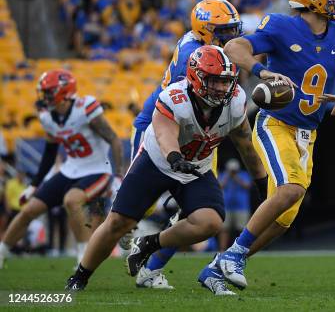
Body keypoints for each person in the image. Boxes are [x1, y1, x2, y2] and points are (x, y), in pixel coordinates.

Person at [216, 0, 335, 290]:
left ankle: (215, 266)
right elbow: (234, 47)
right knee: (290, 190)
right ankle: (233, 254)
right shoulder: (282, 27)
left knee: (284, 219)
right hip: (276, 124)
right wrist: (262, 71)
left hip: (308, 133)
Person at [65, 45, 267, 296]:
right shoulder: (174, 97)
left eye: (225, 81)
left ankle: (148, 243)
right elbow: (164, 134)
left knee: (210, 222)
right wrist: (174, 157)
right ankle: (80, 275)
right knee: (118, 222)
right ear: (195, 76)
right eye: (213, 81)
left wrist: (263, 182)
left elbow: (246, 145)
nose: (220, 88)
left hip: (196, 168)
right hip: (157, 161)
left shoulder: (235, 102)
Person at [126, 0, 264, 290]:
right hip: (161, 126)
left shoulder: (207, 50)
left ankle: (150, 269)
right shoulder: (196, 57)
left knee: (193, 212)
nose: (231, 38)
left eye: (232, 30)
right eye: (223, 31)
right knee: (132, 209)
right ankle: (99, 246)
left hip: (196, 137)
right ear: (205, 30)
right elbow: (187, 111)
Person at [0, 70, 123, 269]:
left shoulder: (85, 108)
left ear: (64, 92)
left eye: (48, 92)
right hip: (70, 169)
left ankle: (83, 257)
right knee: (29, 210)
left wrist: (118, 176)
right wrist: (33, 185)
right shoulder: (48, 117)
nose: (44, 97)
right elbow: (50, 153)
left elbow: (115, 139)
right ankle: (1, 252)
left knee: (71, 200)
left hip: (99, 168)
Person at [218, 159, 252, 250]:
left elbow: (247, 186)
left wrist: (236, 178)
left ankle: (240, 249)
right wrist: (227, 176)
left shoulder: (243, 174)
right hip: (226, 207)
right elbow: (219, 186)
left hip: (242, 207)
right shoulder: (223, 175)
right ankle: (222, 250)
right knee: (224, 230)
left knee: (242, 230)